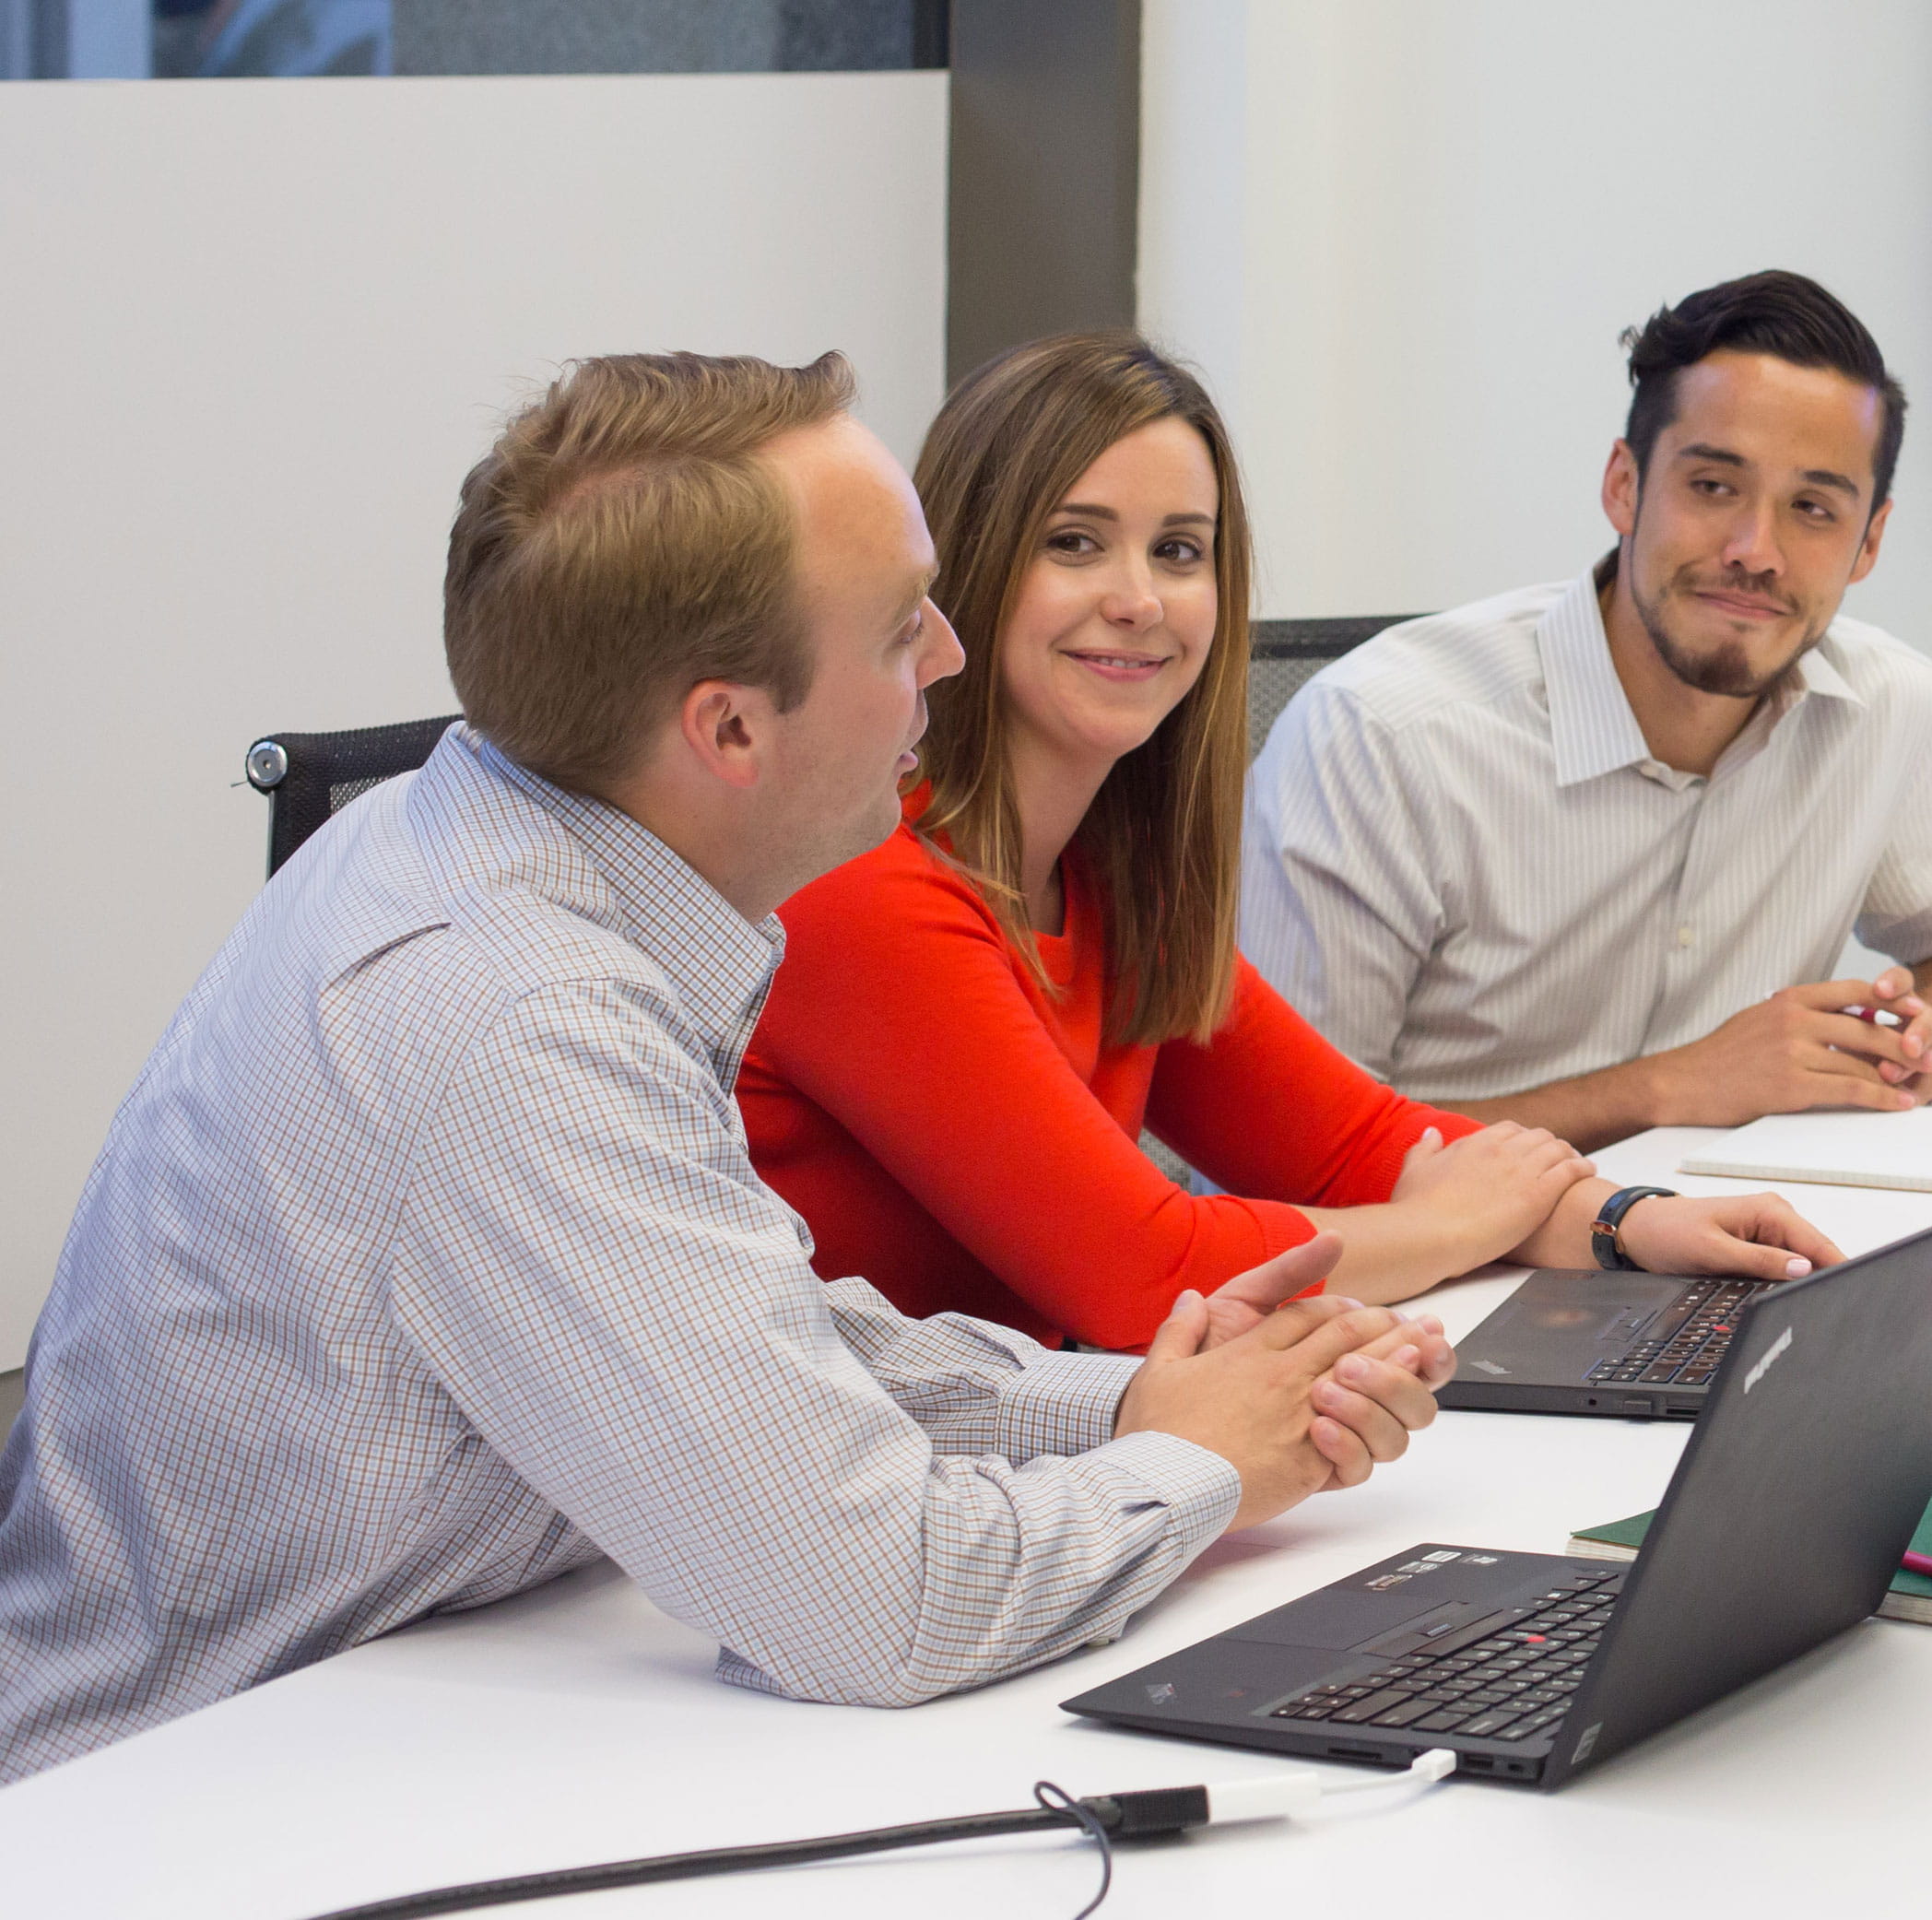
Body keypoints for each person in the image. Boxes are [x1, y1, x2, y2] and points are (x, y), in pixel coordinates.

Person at [0, 351, 1457, 1785]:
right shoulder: (519, 1011)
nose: (948, 658)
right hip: (185, 1805)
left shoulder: (515, 849)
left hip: (427, 1699)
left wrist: (1122, 1405)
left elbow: (734, 1329)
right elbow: (882, 1603)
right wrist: (1199, 1465)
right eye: (900, 632)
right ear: (730, 728)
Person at [736, 332, 1841, 1351]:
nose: (1138, 599)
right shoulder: (865, 883)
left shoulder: (1114, 881)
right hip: (827, 1519)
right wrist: (1453, 1227)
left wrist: (1629, 1220)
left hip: (1030, 1456)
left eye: (1179, 551)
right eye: (1074, 544)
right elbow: (1145, 1271)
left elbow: (1351, 1145)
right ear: (964, 570)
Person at [1242, 270, 1932, 1148]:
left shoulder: (1888, 708)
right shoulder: (1380, 738)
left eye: (1813, 509)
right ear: (1623, 486)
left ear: (1869, 542)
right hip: (1419, 1270)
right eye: (1714, 486)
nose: (1758, 552)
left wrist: (1928, 1032)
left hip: (1720, 1239)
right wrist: (1673, 1087)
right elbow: (1284, 1155)